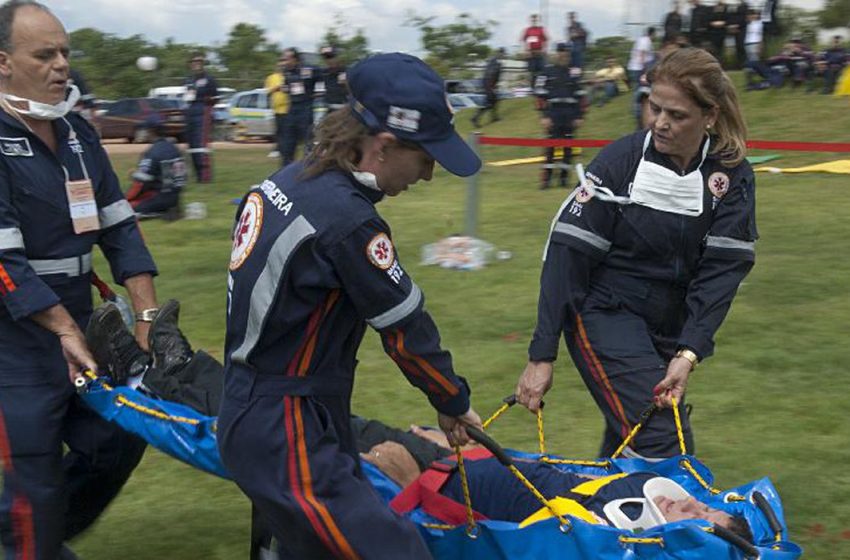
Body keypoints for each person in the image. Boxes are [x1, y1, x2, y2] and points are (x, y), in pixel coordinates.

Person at [217, 52, 484, 559]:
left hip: (261, 407)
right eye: (426, 158)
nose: (427, 175)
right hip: (285, 425)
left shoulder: (290, 180)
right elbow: (406, 330)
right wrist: (453, 401)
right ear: (382, 146)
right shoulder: (350, 222)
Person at [515, 47, 757, 460]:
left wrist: (689, 351)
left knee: (628, 443)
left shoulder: (731, 175)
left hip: (668, 328)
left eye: (676, 115)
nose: (660, 123)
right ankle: (671, 522)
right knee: (662, 433)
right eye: (654, 107)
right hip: (605, 313)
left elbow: (721, 274)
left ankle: (609, 519)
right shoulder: (619, 162)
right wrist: (542, 355)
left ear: (710, 116)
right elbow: (565, 258)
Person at [0, 1, 160, 558]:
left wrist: (146, 322)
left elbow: (122, 232)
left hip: (82, 324)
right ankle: (33, 538)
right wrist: (64, 331)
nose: (61, 65)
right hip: (16, 344)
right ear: (3, 62)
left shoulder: (78, 134)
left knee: (121, 436)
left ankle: (36, 538)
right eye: (44, 55)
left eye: (64, 52)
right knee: (32, 475)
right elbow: (5, 261)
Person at [536, 42, 586, 189]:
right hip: (553, 113)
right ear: (556, 54)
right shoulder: (547, 72)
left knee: (567, 149)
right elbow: (540, 96)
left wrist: (580, 116)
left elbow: (581, 96)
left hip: (570, 114)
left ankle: (564, 180)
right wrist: (544, 116)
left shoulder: (574, 73)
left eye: (566, 54)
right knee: (550, 148)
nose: (564, 56)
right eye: (561, 53)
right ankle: (546, 180)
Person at [124, 114, 187, 219]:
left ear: (151, 131)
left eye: (144, 129)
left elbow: (141, 183)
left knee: (124, 210)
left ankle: (158, 212)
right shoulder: (175, 148)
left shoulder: (152, 152)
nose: (142, 132)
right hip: (176, 198)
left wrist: (125, 198)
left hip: (159, 198)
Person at [183, 51, 218, 183]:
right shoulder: (188, 80)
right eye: (194, 61)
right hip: (190, 111)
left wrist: (208, 101)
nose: (196, 64)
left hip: (202, 111)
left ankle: (205, 176)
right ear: (190, 64)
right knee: (192, 144)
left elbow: (216, 97)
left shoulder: (209, 79)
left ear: (203, 64)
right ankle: (197, 175)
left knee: (201, 144)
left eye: (199, 61)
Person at [279, 47, 315, 167]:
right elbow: (286, 87)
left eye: (287, 59)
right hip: (292, 108)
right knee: (287, 144)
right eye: (284, 59)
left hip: (305, 108)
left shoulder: (307, 70)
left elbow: (320, 78)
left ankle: (309, 169)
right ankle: (285, 172)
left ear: (295, 59)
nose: (285, 62)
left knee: (307, 142)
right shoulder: (287, 72)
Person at [264, 52, 290, 162]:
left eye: (284, 62)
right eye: (281, 62)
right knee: (279, 130)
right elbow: (267, 91)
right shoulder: (272, 78)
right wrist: (277, 87)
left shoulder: (290, 76)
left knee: (286, 131)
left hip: (289, 108)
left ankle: (284, 150)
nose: (282, 65)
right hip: (277, 109)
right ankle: (277, 149)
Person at [471, 47, 504, 128]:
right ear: (500, 53)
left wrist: (494, 85)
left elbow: (491, 73)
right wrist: (492, 86)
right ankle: (475, 118)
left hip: (488, 82)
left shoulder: (492, 60)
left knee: (494, 101)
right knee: (490, 102)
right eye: (502, 53)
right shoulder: (496, 62)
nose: (503, 55)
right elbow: (492, 73)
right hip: (489, 83)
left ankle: (493, 117)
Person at [319, 45, 349, 113]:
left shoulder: (348, 72)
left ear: (338, 57)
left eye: (331, 57)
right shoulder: (323, 73)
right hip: (328, 109)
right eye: (326, 58)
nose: (329, 60)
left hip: (345, 109)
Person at [521, 14, 548, 87]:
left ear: (538, 21)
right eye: (533, 20)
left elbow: (546, 40)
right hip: (531, 53)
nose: (534, 21)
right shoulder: (528, 30)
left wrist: (544, 50)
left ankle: (541, 87)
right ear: (530, 21)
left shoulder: (541, 29)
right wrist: (526, 51)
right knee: (532, 72)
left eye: (536, 20)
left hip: (539, 52)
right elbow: (524, 40)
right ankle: (532, 88)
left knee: (541, 71)